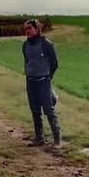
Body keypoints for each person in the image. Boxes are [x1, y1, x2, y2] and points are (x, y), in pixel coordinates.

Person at [22, 19, 61, 147]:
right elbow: (27, 62)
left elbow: (55, 63)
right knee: (35, 110)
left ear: (37, 29)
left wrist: (48, 77)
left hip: (44, 81)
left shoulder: (46, 44)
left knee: (49, 110)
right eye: (25, 29)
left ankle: (57, 140)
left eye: (29, 28)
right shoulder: (25, 45)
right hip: (31, 81)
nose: (27, 31)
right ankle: (39, 137)